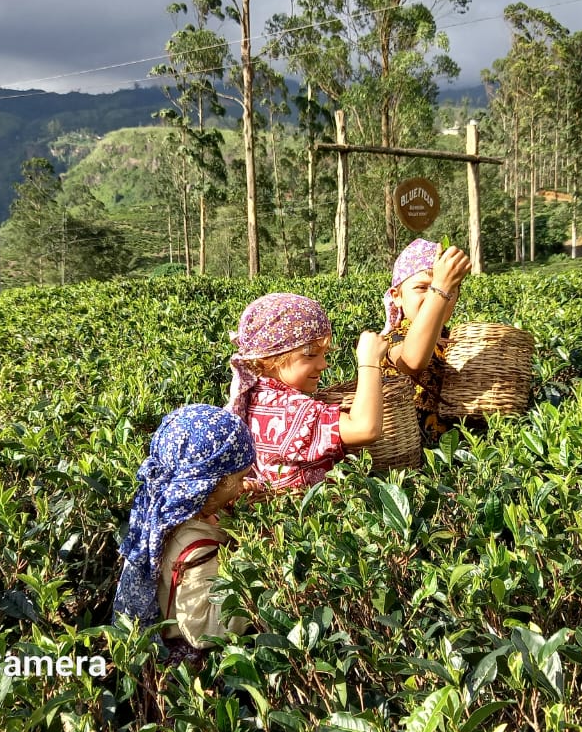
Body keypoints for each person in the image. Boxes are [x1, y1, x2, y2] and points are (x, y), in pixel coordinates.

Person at [112, 404, 256, 660]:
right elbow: (202, 629)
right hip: (194, 661)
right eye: (241, 477)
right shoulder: (194, 545)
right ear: (217, 484)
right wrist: (253, 564)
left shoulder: (167, 509)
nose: (244, 485)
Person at [227, 292, 388, 491]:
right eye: (310, 355)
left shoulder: (257, 395)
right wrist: (370, 362)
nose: (323, 364)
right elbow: (366, 428)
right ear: (269, 358)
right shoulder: (288, 409)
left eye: (324, 354)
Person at [380, 237, 472, 445]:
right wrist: (440, 287)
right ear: (397, 296)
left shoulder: (458, 341)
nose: (434, 297)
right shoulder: (391, 341)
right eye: (422, 288)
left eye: (451, 290)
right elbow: (412, 360)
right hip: (407, 459)